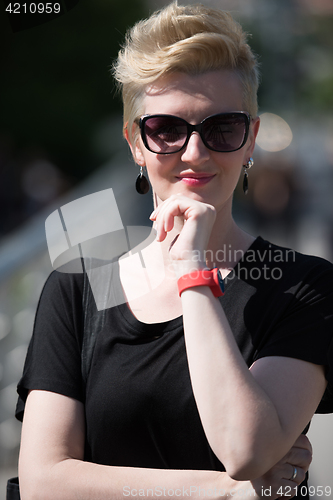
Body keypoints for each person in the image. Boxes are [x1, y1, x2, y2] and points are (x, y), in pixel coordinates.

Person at [16, 2, 333, 500]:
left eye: (222, 128)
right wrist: (227, 492)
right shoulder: (76, 288)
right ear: (135, 144)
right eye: (165, 130)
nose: (194, 153)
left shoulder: (305, 286)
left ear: (250, 139)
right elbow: (43, 482)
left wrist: (192, 271)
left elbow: (244, 449)